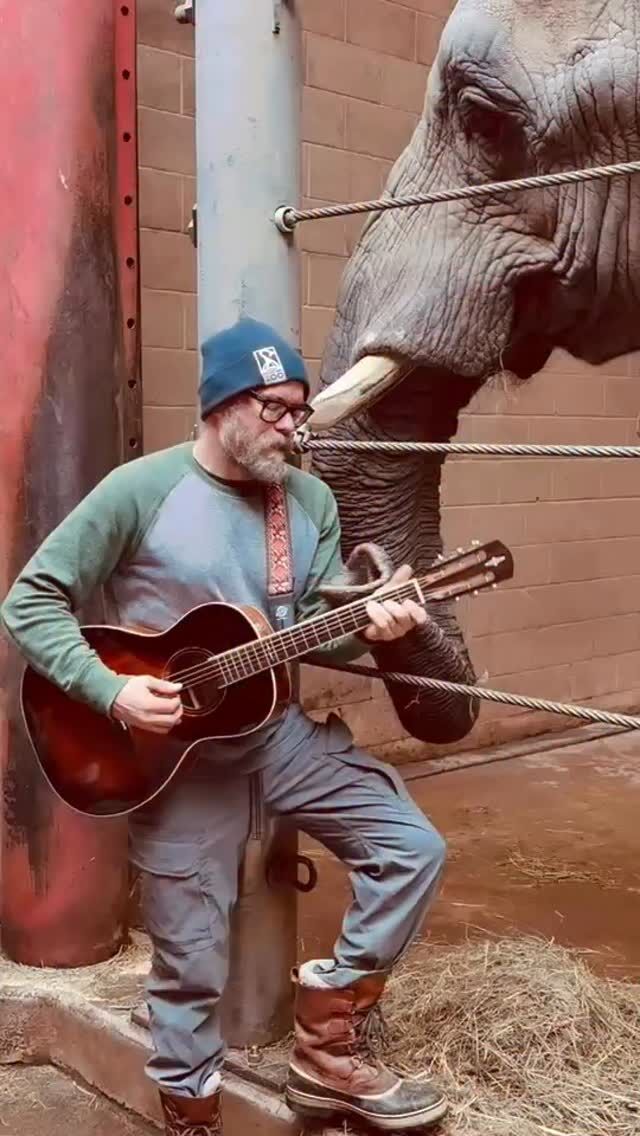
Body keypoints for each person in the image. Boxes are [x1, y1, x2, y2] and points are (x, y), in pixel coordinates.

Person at [1, 317, 450, 1135]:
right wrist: (111, 691)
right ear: (222, 407)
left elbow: (317, 629)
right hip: (170, 756)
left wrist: (376, 627)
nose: (292, 427)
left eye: (300, 410)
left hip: (277, 735)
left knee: (411, 849)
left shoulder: (306, 500)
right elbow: (30, 601)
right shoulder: (140, 490)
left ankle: (326, 1045)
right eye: (275, 409)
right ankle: (191, 1112)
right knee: (191, 962)